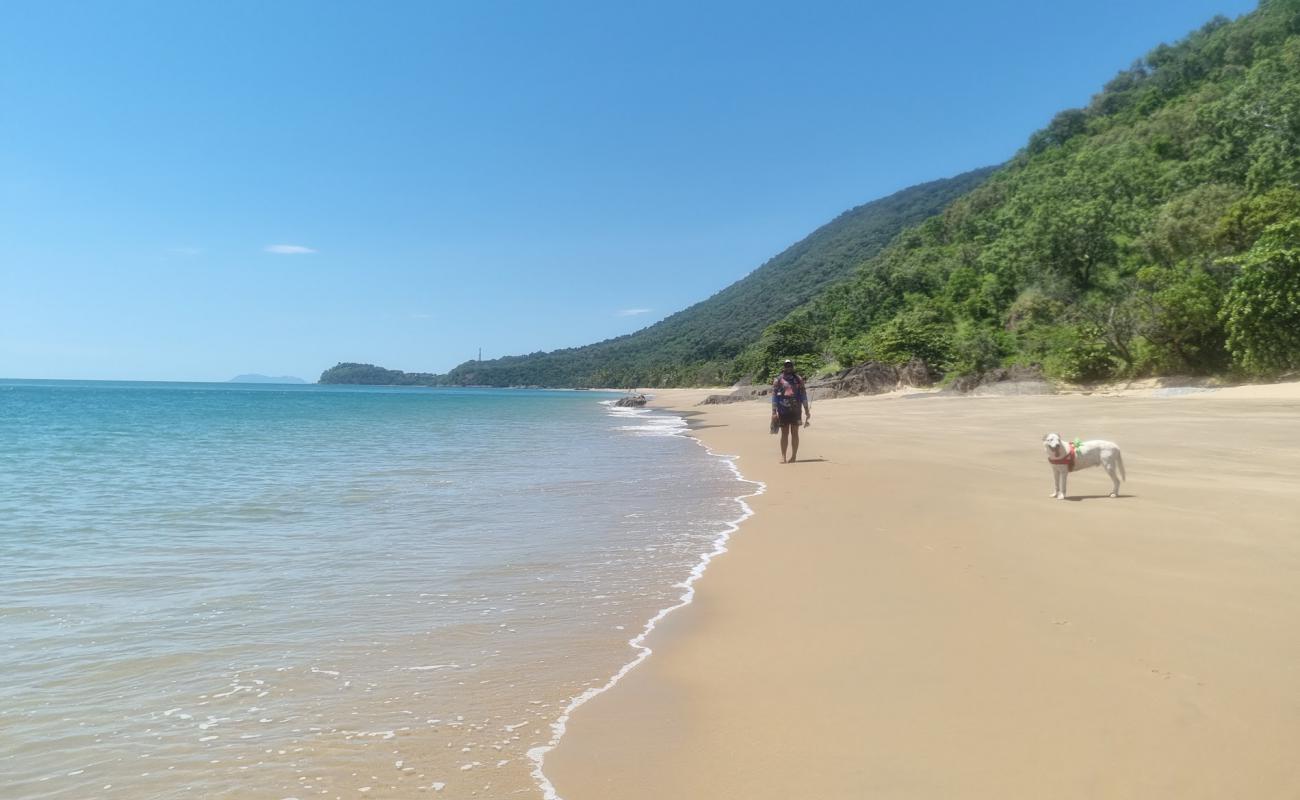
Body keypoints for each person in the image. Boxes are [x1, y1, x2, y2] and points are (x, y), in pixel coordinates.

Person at [771, 359, 811, 463]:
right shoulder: (778, 380)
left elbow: (803, 395)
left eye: (790, 365)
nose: (788, 367)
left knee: (795, 433)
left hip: (796, 410)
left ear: (793, 367)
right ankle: (783, 456)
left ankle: (793, 456)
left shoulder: (798, 379)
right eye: (786, 366)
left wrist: (807, 410)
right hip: (783, 410)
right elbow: (774, 397)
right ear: (783, 367)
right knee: (784, 433)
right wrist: (774, 412)